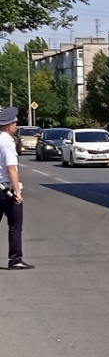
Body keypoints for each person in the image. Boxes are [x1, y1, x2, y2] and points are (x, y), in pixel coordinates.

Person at [0, 107, 34, 270]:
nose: (16, 126)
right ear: (9, 125)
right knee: (15, 225)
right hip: (6, 190)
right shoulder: (7, 142)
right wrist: (17, 192)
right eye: (15, 123)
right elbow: (11, 168)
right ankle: (15, 259)